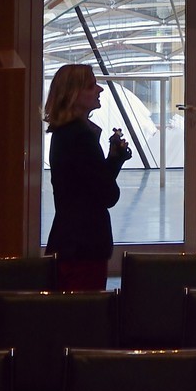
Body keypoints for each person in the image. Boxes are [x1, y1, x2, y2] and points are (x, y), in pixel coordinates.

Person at [44, 62, 131, 290]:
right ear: (74, 94)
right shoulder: (80, 136)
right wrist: (115, 160)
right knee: (84, 316)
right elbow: (106, 194)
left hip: (70, 241)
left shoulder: (64, 133)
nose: (99, 89)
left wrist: (114, 159)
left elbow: (91, 185)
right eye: (92, 86)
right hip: (82, 245)